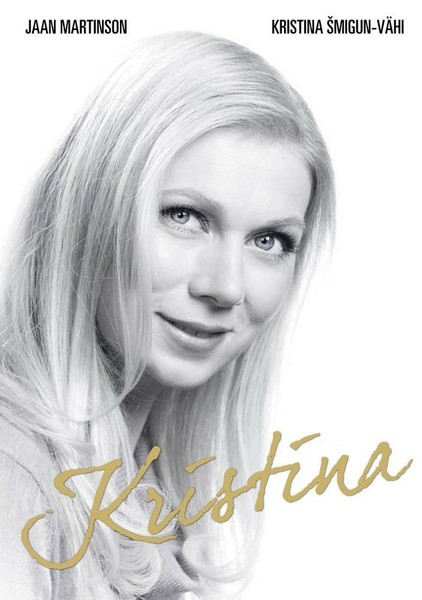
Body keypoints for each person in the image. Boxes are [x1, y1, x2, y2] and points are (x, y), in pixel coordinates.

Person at [0, 31, 334, 599]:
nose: (225, 287)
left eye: (269, 240)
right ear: (89, 212)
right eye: (184, 216)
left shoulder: (142, 492)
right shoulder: (16, 475)